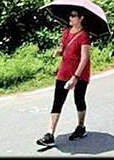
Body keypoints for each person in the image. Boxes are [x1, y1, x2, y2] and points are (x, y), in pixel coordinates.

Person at [36, 9, 91, 146]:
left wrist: (75, 77)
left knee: (79, 99)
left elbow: (85, 58)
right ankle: (50, 134)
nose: (70, 18)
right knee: (57, 102)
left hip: (79, 74)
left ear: (81, 18)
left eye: (73, 16)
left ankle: (81, 126)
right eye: (70, 15)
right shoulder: (65, 32)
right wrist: (59, 51)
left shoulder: (84, 36)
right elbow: (64, 50)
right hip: (64, 72)